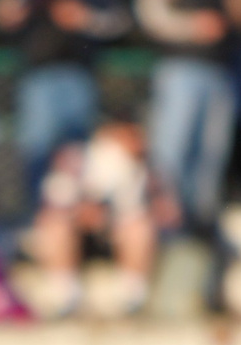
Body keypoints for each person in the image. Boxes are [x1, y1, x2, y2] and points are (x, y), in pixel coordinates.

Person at [0, 0, 131, 203]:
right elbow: (0, 13)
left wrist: (84, 19)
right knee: (36, 149)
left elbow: (120, 21)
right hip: (38, 76)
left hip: (80, 75)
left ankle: (77, 216)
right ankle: (35, 217)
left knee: (77, 154)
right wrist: (7, 14)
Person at [136, 0, 241, 234]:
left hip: (220, 73)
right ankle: (167, 227)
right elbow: (149, 14)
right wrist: (191, 26)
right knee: (172, 150)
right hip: (179, 70)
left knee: (211, 154)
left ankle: (199, 230)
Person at [26, 121, 156, 317]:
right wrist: (82, 212)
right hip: (75, 231)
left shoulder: (138, 168)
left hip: (111, 233)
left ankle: (132, 297)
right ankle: (64, 296)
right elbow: (55, 201)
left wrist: (106, 216)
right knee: (53, 225)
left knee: (140, 227)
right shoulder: (77, 157)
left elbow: (133, 210)